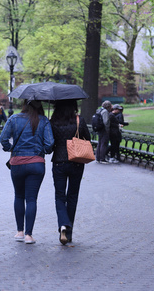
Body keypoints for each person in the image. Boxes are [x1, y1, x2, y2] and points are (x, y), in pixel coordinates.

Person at [0, 99, 54, 245]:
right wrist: (44, 150)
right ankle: (29, 235)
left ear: (24, 104)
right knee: (31, 199)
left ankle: (19, 232)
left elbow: (3, 138)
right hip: (36, 163)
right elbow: (49, 144)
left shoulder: (14, 119)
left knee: (19, 196)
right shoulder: (44, 121)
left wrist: (9, 148)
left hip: (17, 162)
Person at [50, 99, 91, 245]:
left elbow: (49, 143)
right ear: (73, 106)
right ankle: (69, 231)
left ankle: (62, 224)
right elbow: (88, 138)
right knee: (72, 196)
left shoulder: (53, 121)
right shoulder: (79, 120)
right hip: (77, 161)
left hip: (59, 161)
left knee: (59, 196)